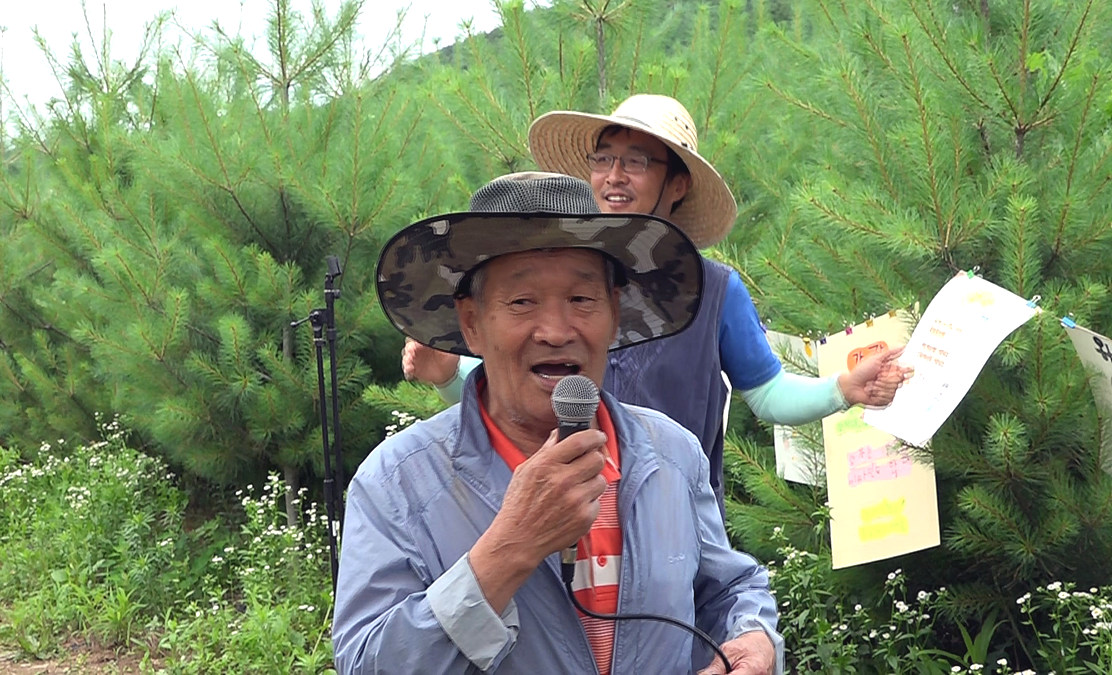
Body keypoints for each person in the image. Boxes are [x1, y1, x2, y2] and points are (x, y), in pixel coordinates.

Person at [335, 172, 782, 674]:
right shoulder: (396, 483)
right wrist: (512, 546)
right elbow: (367, 663)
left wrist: (754, 638)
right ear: (472, 323)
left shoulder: (671, 453)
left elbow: (728, 588)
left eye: (582, 300)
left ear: (614, 314)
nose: (555, 330)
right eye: (522, 302)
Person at [403, 94, 912, 514]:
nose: (614, 176)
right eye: (603, 159)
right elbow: (522, 401)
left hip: (675, 524)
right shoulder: (555, 280)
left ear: (678, 184)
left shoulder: (714, 291)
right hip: (561, 518)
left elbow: (769, 394)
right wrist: (449, 375)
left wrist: (843, 388)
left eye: (636, 162)